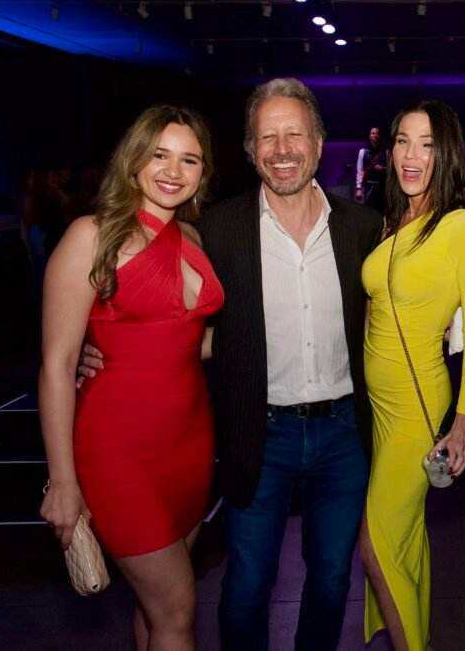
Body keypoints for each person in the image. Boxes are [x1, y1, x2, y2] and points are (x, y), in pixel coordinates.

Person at [80, 79, 383, 651]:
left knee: (331, 579)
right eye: (267, 135)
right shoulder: (211, 231)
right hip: (257, 433)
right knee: (245, 587)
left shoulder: (361, 227)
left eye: (295, 133)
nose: (282, 147)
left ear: (318, 144)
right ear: (249, 150)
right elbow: (156, 314)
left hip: (345, 433)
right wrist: (93, 350)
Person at [40, 105, 223, 650]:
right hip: (119, 454)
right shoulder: (89, 236)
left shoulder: (191, 237)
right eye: (159, 154)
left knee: (154, 610)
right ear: (133, 160)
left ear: (202, 173)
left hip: (190, 448)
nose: (174, 170)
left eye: (189, 159)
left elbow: (194, 342)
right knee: (178, 610)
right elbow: (55, 365)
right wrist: (64, 482)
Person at [358, 99, 465, 650]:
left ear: (448, 154)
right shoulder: (395, 219)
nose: (412, 155)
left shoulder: (462, 227)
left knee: (374, 544)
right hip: (379, 406)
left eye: (428, 144)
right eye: (403, 141)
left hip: (418, 407)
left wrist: (462, 425)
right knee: (406, 538)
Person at [356, 125, 388, 212]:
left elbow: (392, 170)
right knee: (369, 210)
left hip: (383, 186)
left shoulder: (386, 152)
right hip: (369, 186)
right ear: (370, 136)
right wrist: (359, 188)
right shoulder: (363, 152)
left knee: (382, 210)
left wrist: (383, 168)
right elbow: (360, 170)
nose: (375, 135)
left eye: (377, 133)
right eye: (373, 133)